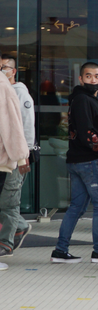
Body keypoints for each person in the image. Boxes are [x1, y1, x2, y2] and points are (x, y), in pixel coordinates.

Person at [53, 63, 98, 264]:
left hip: (77, 160)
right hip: (90, 161)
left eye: (97, 76)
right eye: (89, 76)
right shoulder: (83, 99)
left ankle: (61, 250)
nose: (93, 80)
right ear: (80, 79)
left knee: (77, 207)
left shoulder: (80, 99)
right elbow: (88, 132)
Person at [0, 54, 33, 257]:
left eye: (5, 66)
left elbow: (22, 127)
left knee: (10, 201)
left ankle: (6, 243)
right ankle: (20, 226)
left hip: (17, 156)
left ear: (14, 71)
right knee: (6, 201)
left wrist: (25, 155)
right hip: (11, 155)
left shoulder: (17, 93)